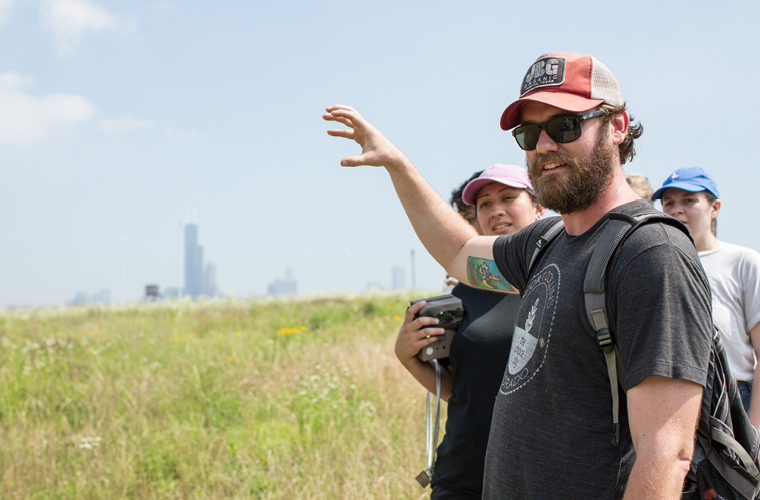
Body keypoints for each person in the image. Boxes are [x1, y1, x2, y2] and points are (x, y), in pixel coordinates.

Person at [324, 52, 713, 500]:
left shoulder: (650, 253)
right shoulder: (547, 241)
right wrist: (399, 166)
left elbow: (666, 453)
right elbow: (458, 251)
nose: (544, 145)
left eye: (566, 126)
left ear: (618, 126)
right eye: (530, 133)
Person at [397, 165, 544, 500]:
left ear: (539, 207)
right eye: (485, 205)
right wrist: (407, 356)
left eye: (509, 197)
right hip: (463, 476)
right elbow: (461, 391)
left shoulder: (563, 278)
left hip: (541, 478)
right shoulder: (466, 289)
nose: (496, 210)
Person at [653, 167, 760, 428]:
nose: (677, 209)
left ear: (715, 208)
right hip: (670, 403)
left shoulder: (743, 262)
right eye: (669, 203)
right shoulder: (656, 264)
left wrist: (755, 433)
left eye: (689, 200)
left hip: (733, 400)